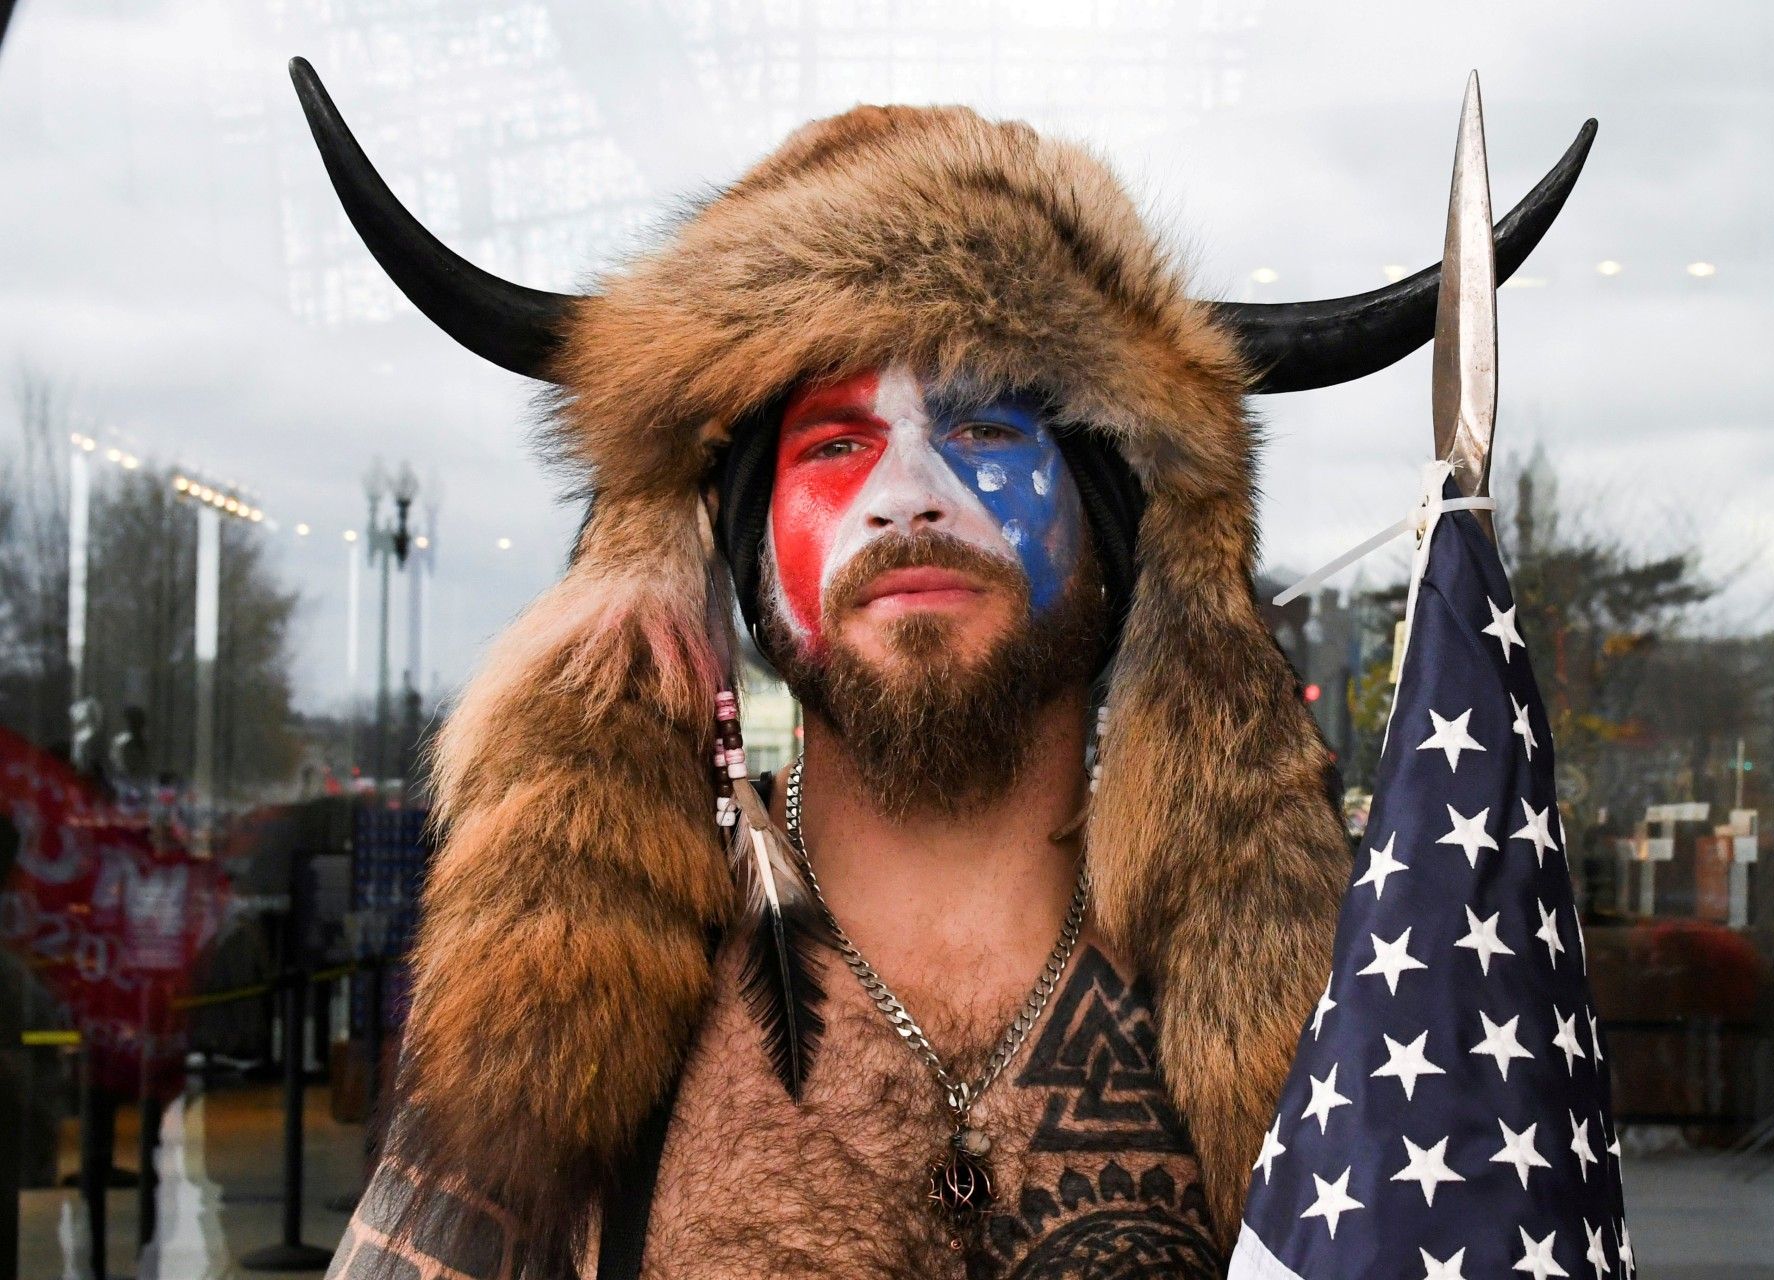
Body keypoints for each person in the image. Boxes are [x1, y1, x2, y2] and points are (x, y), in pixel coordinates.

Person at [289, 60, 1589, 1278]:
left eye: (982, 426)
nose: (911, 496)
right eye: (836, 448)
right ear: (735, 557)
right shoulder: (582, 1033)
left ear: (1117, 528)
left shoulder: (1352, 1030)